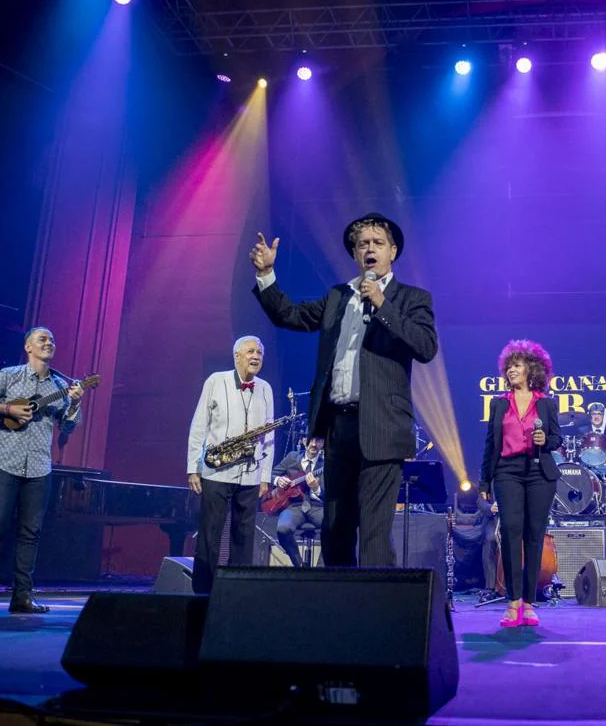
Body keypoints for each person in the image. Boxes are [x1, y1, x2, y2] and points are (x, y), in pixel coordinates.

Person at [251, 213, 438, 567]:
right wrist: (266, 275)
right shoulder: (338, 296)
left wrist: (383, 305)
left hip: (383, 427)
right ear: (355, 254)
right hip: (339, 427)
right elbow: (290, 315)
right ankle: (339, 606)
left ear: (392, 251)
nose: (370, 249)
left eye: (378, 243)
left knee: (374, 530)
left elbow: (425, 347)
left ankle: (377, 612)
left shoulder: (412, 298)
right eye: (362, 244)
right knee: (335, 526)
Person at [0, 327, 84, 616]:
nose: (49, 343)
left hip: (40, 466)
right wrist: (7, 409)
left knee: (31, 533)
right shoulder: (9, 376)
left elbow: (66, 427)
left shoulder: (60, 385)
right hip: (6, 461)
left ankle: (22, 597)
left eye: (52, 340)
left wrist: (75, 402)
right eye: (42, 339)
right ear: (28, 346)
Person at [478, 340, 562, 628]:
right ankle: (513, 602)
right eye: (508, 365)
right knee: (512, 533)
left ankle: (529, 602)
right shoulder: (499, 403)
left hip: (540, 472)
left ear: (531, 368)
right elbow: (491, 444)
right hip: (507, 472)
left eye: (517, 364)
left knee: (534, 536)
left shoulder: (547, 403)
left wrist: (545, 441)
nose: (511, 369)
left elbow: (557, 439)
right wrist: (484, 480)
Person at [186, 336, 275, 593]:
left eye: (259, 352)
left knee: (244, 537)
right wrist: (193, 467)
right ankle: (203, 591)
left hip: (250, 476)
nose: (256, 356)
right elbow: (199, 425)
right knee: (210, 534)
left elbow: (269, 435)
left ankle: (236, 591)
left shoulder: (266, 388)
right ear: (237, 355)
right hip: (216, 472)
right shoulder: (216, 381)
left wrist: (265, 476)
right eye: (250, 351)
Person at [270, 437, 325, 567]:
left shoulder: (327, 464)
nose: (313, 444)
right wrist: (278, 480)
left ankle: (321, 570)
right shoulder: (292, 457)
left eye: (318, 441)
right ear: (303, 440)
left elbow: (334, 494)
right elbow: (271, 474)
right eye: (310, 440)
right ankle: (299, 567)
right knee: (283, 529)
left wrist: (316, 488)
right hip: (294, 506)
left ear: (323, 443)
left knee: (335, 529)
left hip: (318, 507)